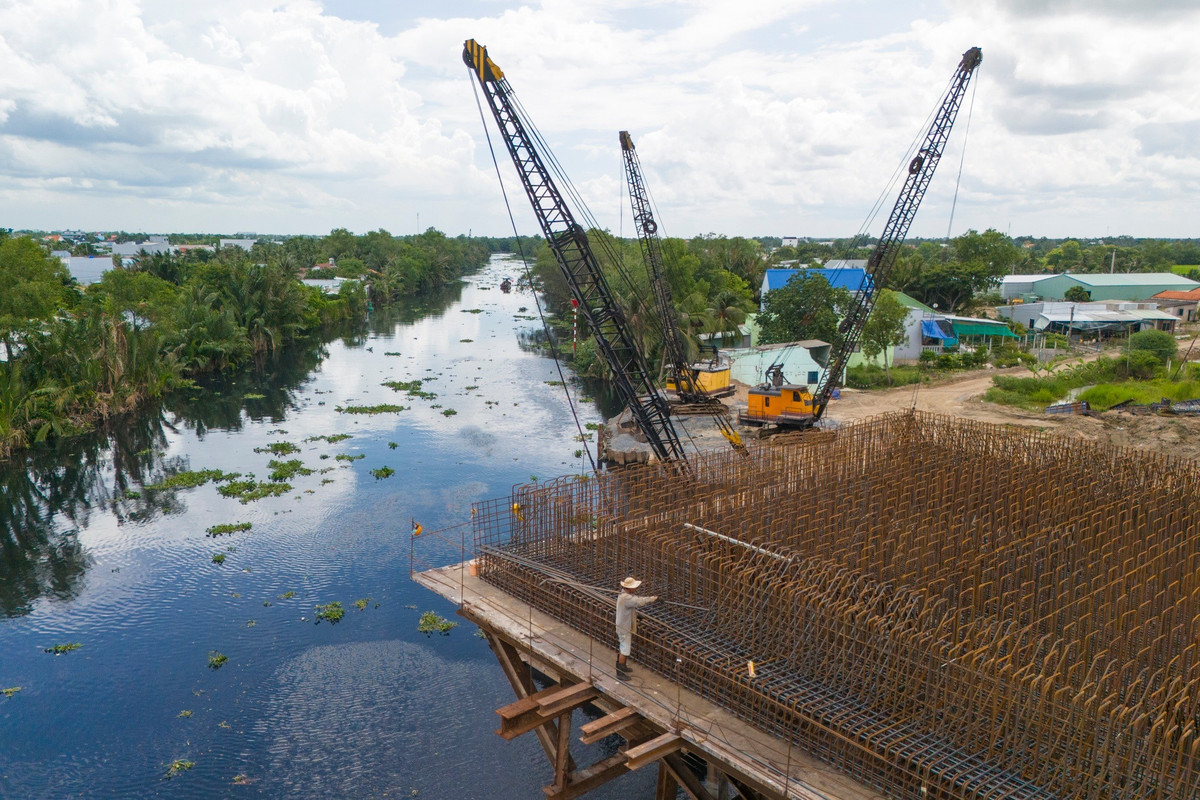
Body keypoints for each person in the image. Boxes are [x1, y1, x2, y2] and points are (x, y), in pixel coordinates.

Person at [614, 577, 657, 680]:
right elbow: (638, 601)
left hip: (623, 624)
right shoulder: (626, 598)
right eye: (634, 587)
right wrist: (652, 599)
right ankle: (619, 673)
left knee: (623, 647)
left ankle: (622, 666)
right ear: (629, 588)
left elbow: (630, 607)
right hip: (624, 627)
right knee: (625, 649)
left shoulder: (625, 595)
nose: (635, 589)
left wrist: (636, 616)